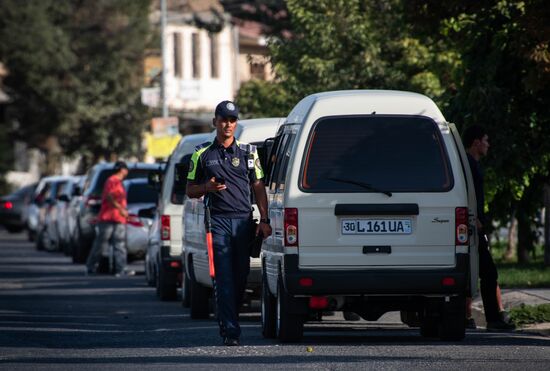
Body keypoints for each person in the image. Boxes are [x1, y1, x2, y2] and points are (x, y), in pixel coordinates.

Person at [186, 100, 272, 346]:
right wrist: (207, 187)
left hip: (243, 223)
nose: (228, 124)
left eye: (232, 120)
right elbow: (190, 190)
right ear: (215, 122)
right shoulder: (201, 152)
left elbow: (258, 185)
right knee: (222, 278)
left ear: (236, 123)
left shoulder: (248, 152)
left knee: (240, 278)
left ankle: (229, 316)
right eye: (223, 119)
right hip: (217, 224)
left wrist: (264, 219)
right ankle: (230, 331)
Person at [463, 125, 515, 331]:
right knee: (488, 272)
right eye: (485, 140)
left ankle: (475, 317)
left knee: (481, 271)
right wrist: (474, 218)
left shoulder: (471, 164)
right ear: (476, 142)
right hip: (473, 226)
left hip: (475, 226)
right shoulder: (468, 165)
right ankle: (493, 319)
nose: (488, 144)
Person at [86, 161, 132, 277]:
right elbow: (109, 196)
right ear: (122, 170)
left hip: (118, 218)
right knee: (101, 243)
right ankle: (91, 266)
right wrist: (121, 209)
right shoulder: (112, 181)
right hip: (108, 217)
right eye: (126, 169)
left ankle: (120, 269)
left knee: (119, 244)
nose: (127, 172)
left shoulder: (119, 182)